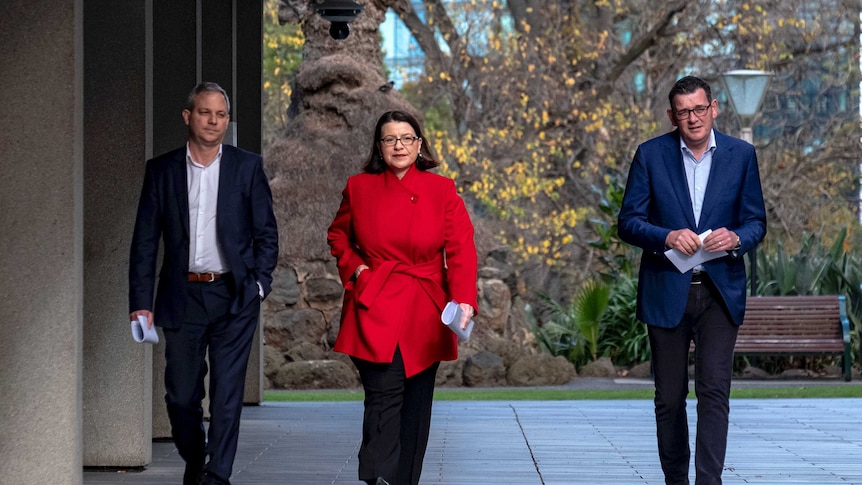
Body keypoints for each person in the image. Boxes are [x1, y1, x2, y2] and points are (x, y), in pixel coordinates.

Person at [618, 75, 766, 485]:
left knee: (714, 394)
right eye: (683, 112)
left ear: (714, 108)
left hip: (720, 291)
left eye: (699, 109)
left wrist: (736, 237)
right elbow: (628, 222)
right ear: (672, 115)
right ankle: (675, 481)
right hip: (667, 290)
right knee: (669, 398)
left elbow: (756, 221)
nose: (693, 118)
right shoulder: (650, 155)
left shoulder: (741, 155)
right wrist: (665, 235)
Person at [128, 82, 279, 485]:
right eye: (205, 112)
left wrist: (259, 286)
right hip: (181, 297)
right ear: (188, 116)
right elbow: (145, 240)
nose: (213, 121)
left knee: (227, 396)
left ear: (227, 121)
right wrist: (141, 302)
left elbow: (267, 234)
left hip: (234, 295)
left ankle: (217, 477)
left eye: (221, 115)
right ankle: (196, 458)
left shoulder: (247, 167)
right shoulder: (161, 170)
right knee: (181, 397)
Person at [327, 110, 478, 485]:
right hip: (375, 300)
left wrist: (464, 300)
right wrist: (358, 270)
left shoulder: (442, 189)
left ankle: (405, 479)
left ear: (419, 144)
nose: (399, 145)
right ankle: (376, 472)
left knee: (416, 402)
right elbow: (338, 236)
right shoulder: (359, 187)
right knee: (382, 393)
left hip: (425, 308)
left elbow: (461, 249)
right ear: (379, 146)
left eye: (407, 138)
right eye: (390, 139)